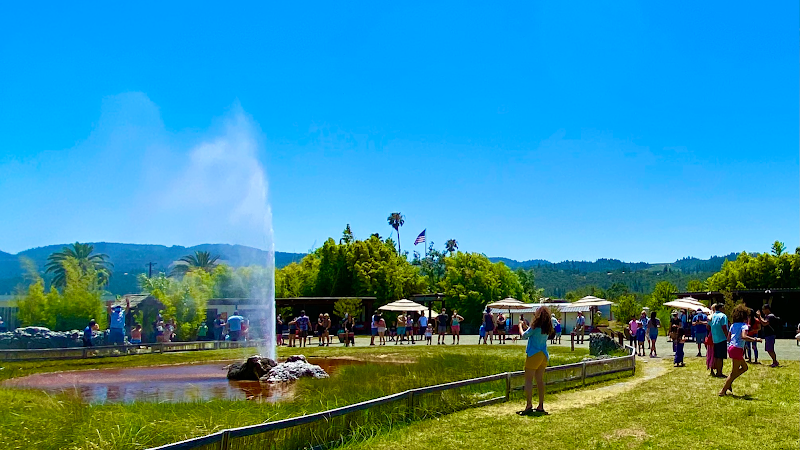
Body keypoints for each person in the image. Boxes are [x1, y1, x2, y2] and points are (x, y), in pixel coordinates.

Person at [517, 305, 555, 416]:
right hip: (543, 355)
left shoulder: (535, 327)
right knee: (540, 380)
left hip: (534, 354)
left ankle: (529, 405)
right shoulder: (546, 327)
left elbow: (524, 335)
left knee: (528, 380)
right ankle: (540, 405)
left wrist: (520, 326)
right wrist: (527, 326)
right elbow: (534, 332)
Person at [719, 305, 763, 396]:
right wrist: (755, 339)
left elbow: (728, 338)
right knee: (733, 372)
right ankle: (723, 390)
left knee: (745, 368)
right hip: (737, 348)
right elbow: (744, 336)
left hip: (731, 348)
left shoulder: (733, 325)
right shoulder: (744, 326)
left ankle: (729, 383)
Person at [709, 303, 729, 378]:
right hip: (722, 338)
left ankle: (718, 371)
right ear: (720, 308)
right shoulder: (723, 316)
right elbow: (724, 327)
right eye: (723, 307)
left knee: (717, 356)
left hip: (715, 338)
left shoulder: (713, 316)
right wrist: (728, 337)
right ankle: (719, 372)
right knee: (720, 357)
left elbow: (708, 326)